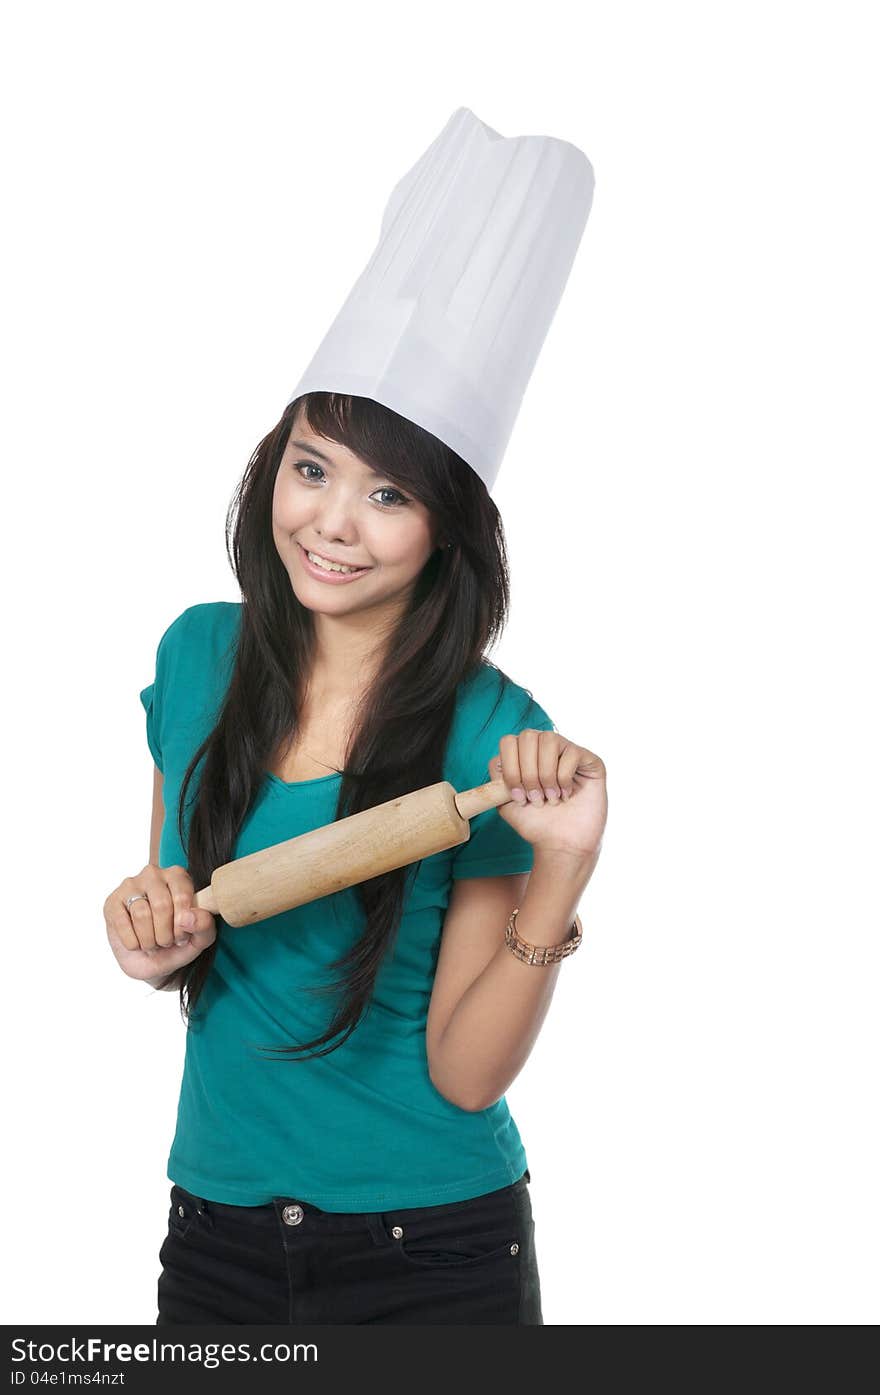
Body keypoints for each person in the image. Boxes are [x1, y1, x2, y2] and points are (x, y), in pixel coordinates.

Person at [104, 111, 606, 1326]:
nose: (333, 523)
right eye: (313, 467)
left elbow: (465, 1073)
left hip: (428, 1248)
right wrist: (144, 928)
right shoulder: (197, 654)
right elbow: (176, 919)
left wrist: (565, 868)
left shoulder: (492, 730)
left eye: (389, 494)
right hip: (212, 1232)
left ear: (446, 530)